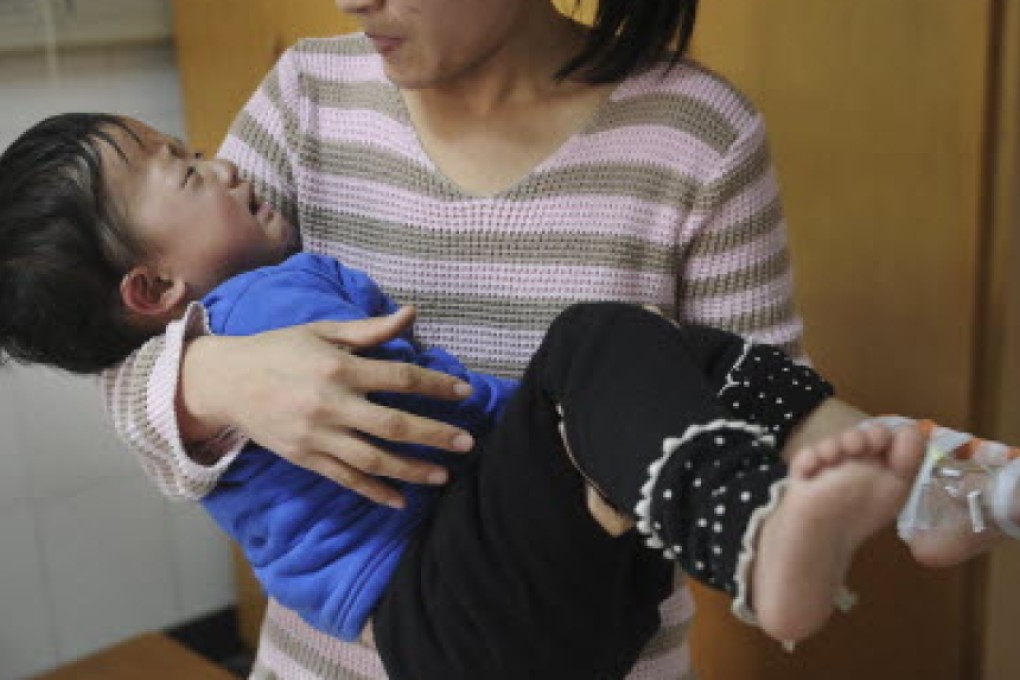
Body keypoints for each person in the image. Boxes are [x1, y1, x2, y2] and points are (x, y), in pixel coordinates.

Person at [9, 1, 989, 677]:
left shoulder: (696, 134)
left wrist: (591, 440)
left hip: (580, 609)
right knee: (602, 348)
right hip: (417, 628)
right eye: (185, 166)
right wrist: (217, 380)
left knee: (677, 359)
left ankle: (915, 484)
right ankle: (773, 538)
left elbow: (733, 390)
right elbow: (131, 360)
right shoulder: (303, 102)